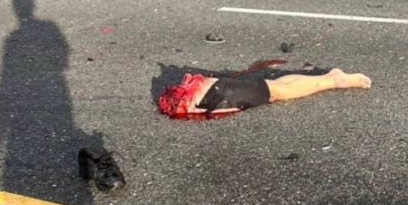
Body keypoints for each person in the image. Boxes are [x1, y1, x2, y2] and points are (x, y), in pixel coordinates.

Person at [158, 67, 372, 119]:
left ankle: (334, 80)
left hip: (211, 95)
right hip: (207, 93)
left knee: (277, 90)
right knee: (275, 88)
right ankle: (332, 78)